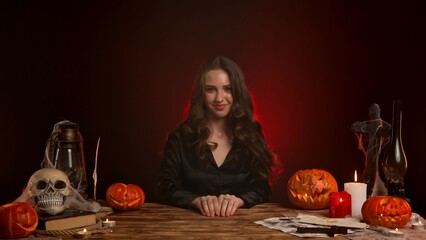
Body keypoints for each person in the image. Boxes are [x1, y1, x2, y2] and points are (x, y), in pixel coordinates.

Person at [156, 56, 276, 217]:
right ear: (201, 94)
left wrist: (240, 201)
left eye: (228, 89)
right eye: (211, 89)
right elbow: (164, 186)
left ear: (237, 91)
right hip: (187, 228)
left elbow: (262, 186)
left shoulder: (252, 134)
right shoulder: (179, 137)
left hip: (244, 229)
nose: (219, 98)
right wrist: (195, 201)